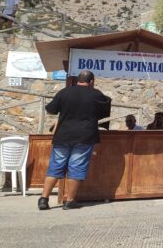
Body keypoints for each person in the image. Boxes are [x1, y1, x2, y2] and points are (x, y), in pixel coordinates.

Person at [39, 70, 111, 211]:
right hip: (84, 136)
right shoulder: (96, 94)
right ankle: (70, 201)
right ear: (91, 81)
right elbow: (105, 109)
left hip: (63, 135)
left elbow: (51, 110)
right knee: (76, 167)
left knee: (55, 166)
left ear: (77, 80)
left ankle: (44, 199)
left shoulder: (64, 92)